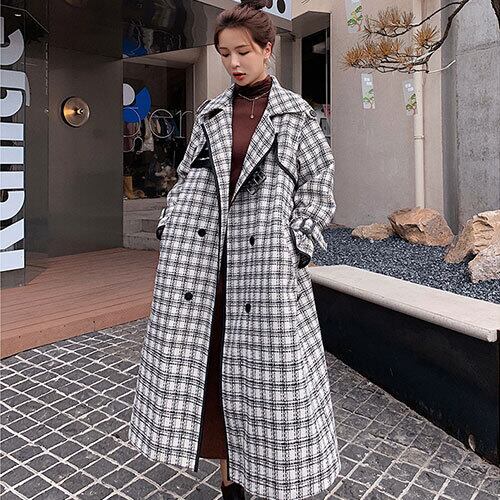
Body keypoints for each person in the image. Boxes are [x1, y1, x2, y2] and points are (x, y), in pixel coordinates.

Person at [128, 0, 341, 498]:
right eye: (225, 54)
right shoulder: (212, 112)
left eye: (242, 52)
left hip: (265, 271)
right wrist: (170, 225)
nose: (233, 63)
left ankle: (264, 477)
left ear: (267, 48)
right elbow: (186, 176)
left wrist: (298, 246)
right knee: (212, 377)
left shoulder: (296, 116)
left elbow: (319, 186)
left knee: (268, 385)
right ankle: (230, 484)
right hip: (205, 269)